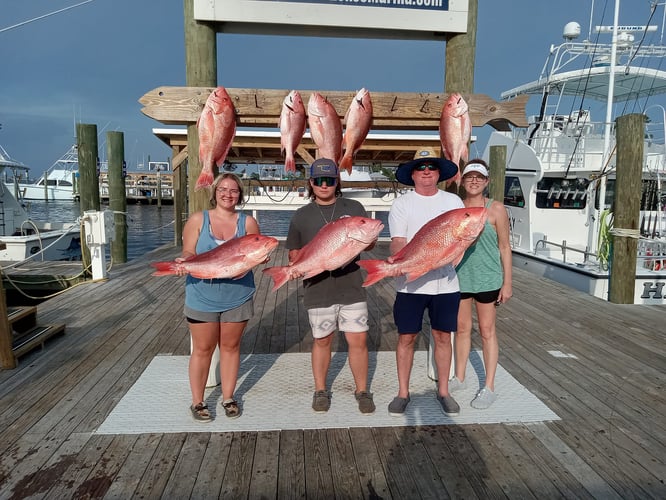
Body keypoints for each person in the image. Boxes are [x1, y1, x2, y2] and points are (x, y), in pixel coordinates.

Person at [285, 158, 377, 414]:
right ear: (311, 183)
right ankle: (320, 389)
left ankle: (362, 390)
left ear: (337, 182)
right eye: (318, 180)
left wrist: (365, 240)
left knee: (358, 340)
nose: (324, 185)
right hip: (317, 287)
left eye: (330, 180)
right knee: (322, 340)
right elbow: (294, 253)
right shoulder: (301, 215)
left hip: (352, 285)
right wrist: (296, 267)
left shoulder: (354, 207)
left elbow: (367, 243)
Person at [387, 147, 464, 416]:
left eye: (431, 166)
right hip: (410, 284)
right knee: (407, 337)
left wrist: (452, 256)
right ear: (413, 174)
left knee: (443, 336)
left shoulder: (454, 202)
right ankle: (403, 392)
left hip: (446, 284)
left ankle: (444, 391)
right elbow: (398, 240)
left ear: (439, 172)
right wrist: (396, 262)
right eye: (421, 167)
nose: (427, 171)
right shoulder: (402, 204)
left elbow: (461, 240)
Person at [179, 172, 261, 422]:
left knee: (231, 347)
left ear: (240, 195)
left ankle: (228, 397)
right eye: (223, 189)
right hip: (201, 294)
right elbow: (188, 250)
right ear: (214, 192)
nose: (228, 194)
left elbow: (254, 253)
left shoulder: (247, 224)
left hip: (238, 295)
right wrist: (184, 260)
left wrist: (258, 259)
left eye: (234, 190)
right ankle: (198, 401)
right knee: (202, 349)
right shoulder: (197, 219)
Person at [450, 159, 513, 409]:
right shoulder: (456, 207)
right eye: (469, 177)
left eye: (479, 177)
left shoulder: (496, 209)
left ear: (486, 181)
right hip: (460, 277)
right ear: (462, 182)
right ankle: (460, 376)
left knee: (487, 331)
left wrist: (507, 283)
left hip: (488, 278)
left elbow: (505, 247)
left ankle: (489, 386)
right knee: (462, 329)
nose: (474, 181)